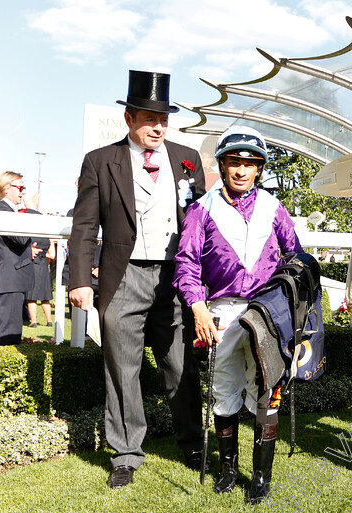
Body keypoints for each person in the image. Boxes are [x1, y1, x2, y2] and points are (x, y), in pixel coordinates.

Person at [68, 70, 207, 489]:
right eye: (149, 117)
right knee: (121, 368)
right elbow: (85, 225)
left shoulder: (187, 157)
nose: (157, 126)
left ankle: (193, 443)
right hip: (122, 275)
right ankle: (126, 453)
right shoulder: (99, 160)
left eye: (163, 118)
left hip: (175, 275)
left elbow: (200, 223)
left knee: (180, 365)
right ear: (129, 119)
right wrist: (79, 279)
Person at [174, 126, 302, 504]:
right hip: (221, 311)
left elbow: (296, 256)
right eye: (234, 162)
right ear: (223, 165)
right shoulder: (201, 209)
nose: (242, 170)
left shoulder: (274, 208)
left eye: (249, 163)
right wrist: (197, 304)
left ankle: (261, 476)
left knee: (268, 388)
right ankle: (229, 468)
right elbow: (186, 263)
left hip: (265, 311)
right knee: (223, 389)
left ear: (259, 168)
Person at [0, 172, 41, 345]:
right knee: (8, 335)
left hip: (6, 278)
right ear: (6, 189)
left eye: (24, 188)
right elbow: (21, 237)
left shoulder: (1, 208)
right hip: (8, 280)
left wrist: (29, 249)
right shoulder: (0, 209)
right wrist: (33, 211)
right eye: (20, 188)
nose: (23, 192)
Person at [26, 214, 55, 327]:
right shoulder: (47, 239)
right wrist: (51, 242)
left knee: (31, 297)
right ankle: (49, 321)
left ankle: (33, 321)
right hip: (44, 266)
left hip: (33, 266)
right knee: (45, 297)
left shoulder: (31, 237)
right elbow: (51, 255)